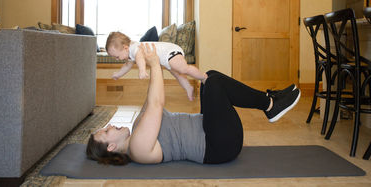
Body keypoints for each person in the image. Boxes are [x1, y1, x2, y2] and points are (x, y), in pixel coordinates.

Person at [86, 43, 301, 166]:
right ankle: (270, 105)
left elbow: (154, 95)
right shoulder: (137, 149)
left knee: (209, 78)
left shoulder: (137, 130)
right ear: (111, 147)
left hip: (211, 129)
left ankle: (269, 100)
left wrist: (156, 59)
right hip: (218, 146)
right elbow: (158, 102)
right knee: (214, 83)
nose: (110, 125)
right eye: (106, 131)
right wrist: (152, 64)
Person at [105, 31, 207, 100]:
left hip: (170, 52)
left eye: (117, 57)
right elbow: (127, 66)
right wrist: (118, 74)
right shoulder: (130, 54)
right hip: (166, 59)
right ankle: (188, 87)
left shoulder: (134, 48)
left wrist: (142, 70)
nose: (117, 59)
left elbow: (140, 56)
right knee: (177, 73)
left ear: (125, 47)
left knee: (183, 69)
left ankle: (203, 76)